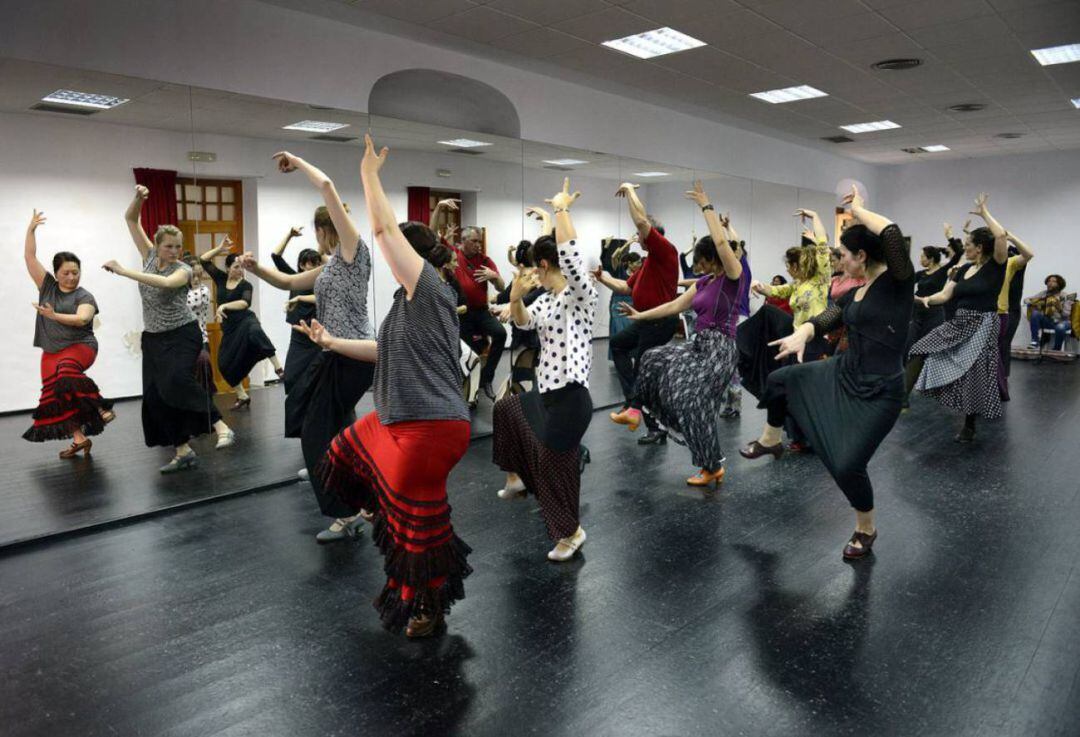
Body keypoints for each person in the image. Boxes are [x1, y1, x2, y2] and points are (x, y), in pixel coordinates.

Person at [304, 134, 472, 638]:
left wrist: (369, 175)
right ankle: (386, 510)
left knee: (417, 527)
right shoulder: (405, 302)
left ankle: (427, 602)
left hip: (432, 429)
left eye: (399, 249)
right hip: (398, 421)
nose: (387, 250)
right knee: (346, 446)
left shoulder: (430, 291)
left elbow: (379, 227)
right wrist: (333, 342)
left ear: (413, 259)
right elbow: (384, 351)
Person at [740, 187, 913, 560]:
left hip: (881, 390)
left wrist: (858, 209)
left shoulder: (898, 285)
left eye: (844, 256)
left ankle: (866, 528)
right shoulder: (856, 293)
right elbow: (825, 318)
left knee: (849, 465)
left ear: (862, 256)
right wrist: (801, 333)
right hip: (845, 371)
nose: (839, 261)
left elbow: (892, 234)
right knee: (780, 379)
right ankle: (772, 439)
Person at [241, 153, 374, 542]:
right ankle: (364, 497)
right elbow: (287, 283)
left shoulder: (354, 253)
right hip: (334, 355)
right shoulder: (332, 266)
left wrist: (297, 161)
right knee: (337, 430)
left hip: (352, 354)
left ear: (325, 228)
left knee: (317, 434)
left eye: (319, 230)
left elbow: (328, 187)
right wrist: (255, 269)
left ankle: (346, 514)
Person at [493, 178, 598, 562]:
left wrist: (561, 210)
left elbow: (569, 255)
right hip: (547, 395)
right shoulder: (549, 301)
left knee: (556, 464)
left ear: (541, 265)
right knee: (506, 409)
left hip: (572, 398)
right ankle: (517, 477)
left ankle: (571, 532)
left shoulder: (580, 295)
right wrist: (517, 299)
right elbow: (523, 323)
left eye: (534, 268)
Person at [621, 181, 745, 487]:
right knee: (652, 356)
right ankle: (635, 409)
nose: (699, 266)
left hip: (720, 351)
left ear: (715, 259)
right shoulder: (703, 283)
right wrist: (640, 315)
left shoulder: (733, 277)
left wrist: (706, 206)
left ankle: (710, 466)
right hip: (699, 344)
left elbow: (721, 244)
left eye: (702, 262)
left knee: (693, 403)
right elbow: (673, 305)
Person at [108, 185, 234, 473]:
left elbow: (165, 284)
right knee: (155, 397)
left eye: (178, 247)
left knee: (176, 381)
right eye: (169, 246)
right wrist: (139, 198)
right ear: (157, 244)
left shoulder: (184, 270)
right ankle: (182, 449)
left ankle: (220, 424)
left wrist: (123, 271)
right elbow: (130, 220)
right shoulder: (150, 257)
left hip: (182, 334)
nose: (175, 251)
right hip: (153, 339)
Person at [909, 194, 1009, 442]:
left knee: (973, 373)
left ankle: (969, 424)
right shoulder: (963, 269)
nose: (964, 248)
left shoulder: (996, 265)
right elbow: (944, 295)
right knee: (921, 347)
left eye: (967, 245)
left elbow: (1001, 237)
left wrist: (984, 213)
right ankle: (899, 399)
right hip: (960, 321)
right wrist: (925, 300)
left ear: (980, 247)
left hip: (984, 323)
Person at [22, 209, 114, 456]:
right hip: (52, 350)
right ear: (56, 272)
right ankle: (79, 438)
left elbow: (83, 318)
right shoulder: (47, 286)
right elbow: (30, 256)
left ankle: (101, 409)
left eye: (76, 272)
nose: (72, 277)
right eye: (66, 273)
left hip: (81, 346)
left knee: (66, 372)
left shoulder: (84, 295)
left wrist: (53, 316)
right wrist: (31, 229)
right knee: (55, 397)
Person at [595, 183, 679, 445]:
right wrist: (603, 278)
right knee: (619, 345)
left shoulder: (665, 251)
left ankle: (643, 415)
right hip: (644, 320)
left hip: (660, 321)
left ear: (651, 236)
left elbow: (642, 220)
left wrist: (630, 190)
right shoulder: (647, 263)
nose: (637, 238)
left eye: (640, 235)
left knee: (644, 370)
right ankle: (634, 403)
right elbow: (624, 287)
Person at [749, 209, 832, 452]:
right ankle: (799, 437)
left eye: (789, 266)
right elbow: (778, 292)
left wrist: (816, 216)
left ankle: (814, 437)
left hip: (815, 342)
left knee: (807, 392)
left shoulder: (820, 279)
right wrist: (760, 286)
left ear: (799, 265)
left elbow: (823, 247)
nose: (787, 270)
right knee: (792, 390)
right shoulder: (796, 284)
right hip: (797, 342)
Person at [433, 199, 506, 402]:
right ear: (463, 241)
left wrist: (495, 277)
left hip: (481, 311)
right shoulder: (453, 254)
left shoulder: (485, 260)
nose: (478, 244)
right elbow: (432, 235)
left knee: (500, 334)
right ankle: (468, 391)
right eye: (474, 241)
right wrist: (439, 208)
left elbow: (501, 288)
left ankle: (487, 379)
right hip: (462, 313)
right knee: (468, 354)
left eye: (479, 241)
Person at [199, 236, 284, 409]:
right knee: (223, 363)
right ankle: (242, 395)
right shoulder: (221, 279)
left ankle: (278, 369)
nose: (240, 270)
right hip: (230, 329)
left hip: (245, 320)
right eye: (236, 267)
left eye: (241, 267)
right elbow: (203, 260)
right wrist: (220, 248)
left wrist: (224, 306)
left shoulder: (246, 285)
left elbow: (245, 303)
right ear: (228, 268)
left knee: (255, 332)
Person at [901, 232, 962, 406]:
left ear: (931, 259)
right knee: (910, 349)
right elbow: (905, 286)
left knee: (929, 352)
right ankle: (904, 391)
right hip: (917, 314)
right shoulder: (921, 274)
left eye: (923, 256)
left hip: (934, 314)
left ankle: (946, 384)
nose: (920, 259)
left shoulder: (943, 271)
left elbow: (958, 254)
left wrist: (950, 237)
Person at [270, 226, 323, 392]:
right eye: (311, 263)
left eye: (318, 263)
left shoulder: (321, 282)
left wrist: (299, 298)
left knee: (317, 377)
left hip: (315, 336)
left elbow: (321, 298)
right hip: (297, 336)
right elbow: (275, 256)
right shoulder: (295, 279)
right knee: (291, 376)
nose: (315, 267)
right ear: (301, 265)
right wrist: (289, 235)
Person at [995, 232, 1034, 389]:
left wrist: (1010, 238)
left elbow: (1027, 254)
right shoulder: (999, 267)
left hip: (1011, 310)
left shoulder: (1015, 264)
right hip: (1001, 309)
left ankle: (1003, 377)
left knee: (1004, 343)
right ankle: (998, 376)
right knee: (998, 345)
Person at [181, 253, 214, 391]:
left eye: (199, 275)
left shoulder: (203, 291)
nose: (196, 279)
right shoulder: (180, 290)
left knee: (203, 382)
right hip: (182, 341)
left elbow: (186, 304)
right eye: (193, 275)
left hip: (200, 340)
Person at [1026, 275, 1076, 350]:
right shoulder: (1044, 293)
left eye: (1053, 281)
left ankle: (1056, 349)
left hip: (1063, 322)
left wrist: (1059, 308)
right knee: (1035, 313)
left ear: (1059, 284)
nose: (1050, 283)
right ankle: (1035, 341)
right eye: (1049, 281)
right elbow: (1026, 300)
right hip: (1049, 321)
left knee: (1060, 327)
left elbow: (1067, 315)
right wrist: (1038, 302)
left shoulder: (1066, 296)